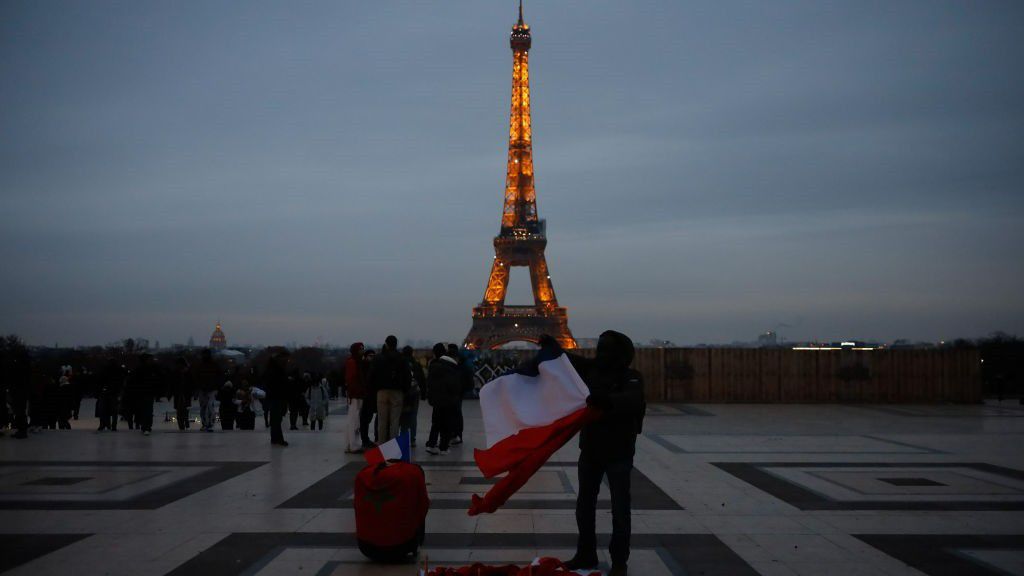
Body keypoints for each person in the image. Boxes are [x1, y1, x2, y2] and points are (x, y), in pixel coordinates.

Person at [547, 331, 645, 576]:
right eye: (599, 348)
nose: (600, 354)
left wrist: (607, 400)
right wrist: (554, 349)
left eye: (605, 349)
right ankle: (586, 553)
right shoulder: (593, 371)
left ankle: (619, 561)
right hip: (591, 449)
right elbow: (572, 361)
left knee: (619, 508)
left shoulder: (631, 377)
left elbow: (632, 399)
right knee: (585, 506)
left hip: (618, 451)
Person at [369, 335, 411, 443]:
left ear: (386, 344)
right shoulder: (402, 358)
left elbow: (371, 375)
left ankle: (381, 443)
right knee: (395, 421)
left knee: (382, 421)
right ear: (396, 344)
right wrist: (405, 390)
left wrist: (374, 390)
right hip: (397, 391)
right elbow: (407, 376)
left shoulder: (378, 358)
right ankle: (393, 446)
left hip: (382, 391)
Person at [424, 343, 461, 456]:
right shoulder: (452, 368)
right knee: (447, 425)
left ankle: (431, 444)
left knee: (436, 423)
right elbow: (453, 386)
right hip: (448, 401)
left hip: (436, 400)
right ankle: (443, 447)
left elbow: (429, 383)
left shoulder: (434, 365)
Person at [127, 353, 161, 436]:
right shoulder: (150, 369)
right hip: (146, 392)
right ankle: (146, 426)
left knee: (144, 410)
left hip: (143, 393)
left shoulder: (139, 369)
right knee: (147, 410)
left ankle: (145, 426)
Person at [446, 343, 473, 446]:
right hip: (459, 391)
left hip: (454, 391)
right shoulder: (463, 362)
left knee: (453, 413)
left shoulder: (452, 363)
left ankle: (453, 434)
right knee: (457, 413)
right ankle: (457, 435)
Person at [264, 349, 290, 446]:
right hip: (277, 397)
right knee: (277, 419)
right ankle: (278, 439)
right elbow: (280, 384)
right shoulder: (277, 370)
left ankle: (275, 438)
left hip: (274, 397)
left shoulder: (272, 369)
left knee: (276, 419)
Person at [344, 342, 366, 453]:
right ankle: (353, 445)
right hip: (355, 395)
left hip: (356, 394)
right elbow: (351, 379)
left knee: (353, 420)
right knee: (354, 421)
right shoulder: (353, 362)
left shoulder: (354, 362)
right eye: (361, 349)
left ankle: (351, 444)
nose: (362, 350)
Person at [400, 346, 424, 447]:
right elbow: (422, 379)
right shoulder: (416, 364)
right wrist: (424, 393)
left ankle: (404, 436)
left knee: (404, 417)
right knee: (413, 416)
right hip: (414, 392)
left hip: (403, 392)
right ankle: (412, 438)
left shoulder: (400, 364)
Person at [195, 349, 220, 432]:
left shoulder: (212, 365)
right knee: (204, 407)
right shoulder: (201, 365)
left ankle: (209, 424)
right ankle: (205, 424)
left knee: (209, 406)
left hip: (210, 389)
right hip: (203, 389)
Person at [96, 358, 123, 432]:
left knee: (103, 409)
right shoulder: (118, 370)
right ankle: (113, 426)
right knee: (114, 410)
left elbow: (99, 380)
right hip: (113, 392)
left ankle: (103, 424)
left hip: (105, 391)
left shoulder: (104, 370)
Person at [360, 348, 378, 445]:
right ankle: (365, 439)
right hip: (367, 395)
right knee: (365, 419)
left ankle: (371, 438)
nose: (372, 358)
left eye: (373, 356)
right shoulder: (364, 366)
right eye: (370, 356)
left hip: (373, 395)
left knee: (369, 418)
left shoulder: (372, 366)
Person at [171, 357, 193, 430]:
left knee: (181, 409)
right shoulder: (186, 372)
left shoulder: (177, 372)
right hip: (182, 392)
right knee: (182, 409)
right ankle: (183, 423)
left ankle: (182, 423)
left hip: (182, 392)